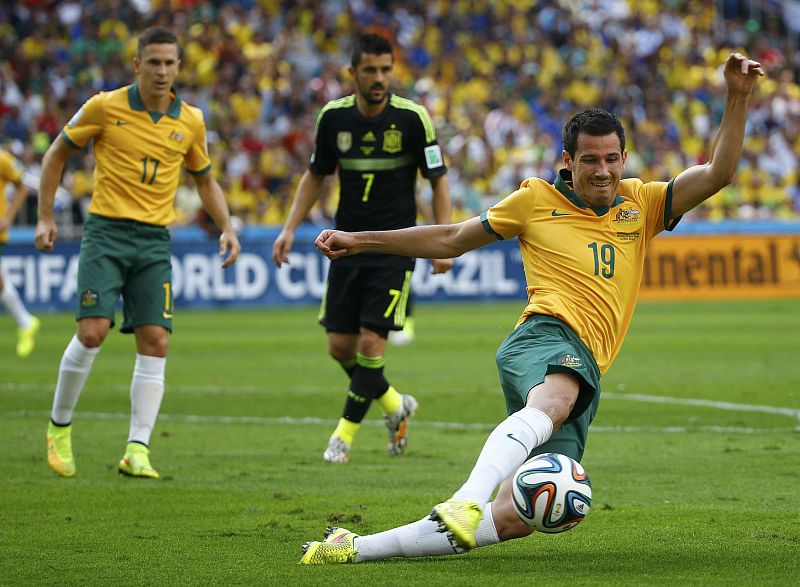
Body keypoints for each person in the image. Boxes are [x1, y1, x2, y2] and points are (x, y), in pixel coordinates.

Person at [301, 52, 763, 563]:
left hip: (587, 361)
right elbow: (453, 238)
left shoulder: (645, 203)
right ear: (568, 161)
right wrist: (362, 241)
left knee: (519, 515)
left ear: (624, 160)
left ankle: (352, 549)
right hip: (545, 336)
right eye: (590, 160)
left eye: (612, 159)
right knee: (551, 406)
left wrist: (737, 96)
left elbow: (719, 172)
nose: (603, 171)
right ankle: (465, 498)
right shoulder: (534, 200)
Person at [35, 27, 241, 479]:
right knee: (92, 332)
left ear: (179, 66)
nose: (163, 71)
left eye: (170, 63)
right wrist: (46, 216)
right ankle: (59, 428)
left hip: (153, 241)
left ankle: (137, 449)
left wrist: (226, 226)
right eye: (154, 62)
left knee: (156, 340)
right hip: (106, 234)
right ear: (137, 65)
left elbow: (204, 179)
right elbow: (55, 155)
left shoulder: (190, 120)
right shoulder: (104, 107)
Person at [271, 32, 453, 463]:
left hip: (395, 247)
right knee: (340, 348)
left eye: (386, 69)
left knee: (372, 344)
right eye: (370, 70)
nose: (379, 78)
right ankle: (395, 406)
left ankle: (342, 437)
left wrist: (443, 241)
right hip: (345, 246)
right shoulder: (333, 119)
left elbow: (437, 179)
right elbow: (316, 175)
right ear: (352, 73)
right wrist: (288, 228)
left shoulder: (413, 119)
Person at [0, 147, 40, 358]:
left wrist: (7, 217)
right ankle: (25, 321)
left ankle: (25, 321)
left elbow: (23, 186)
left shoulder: (2, 159)